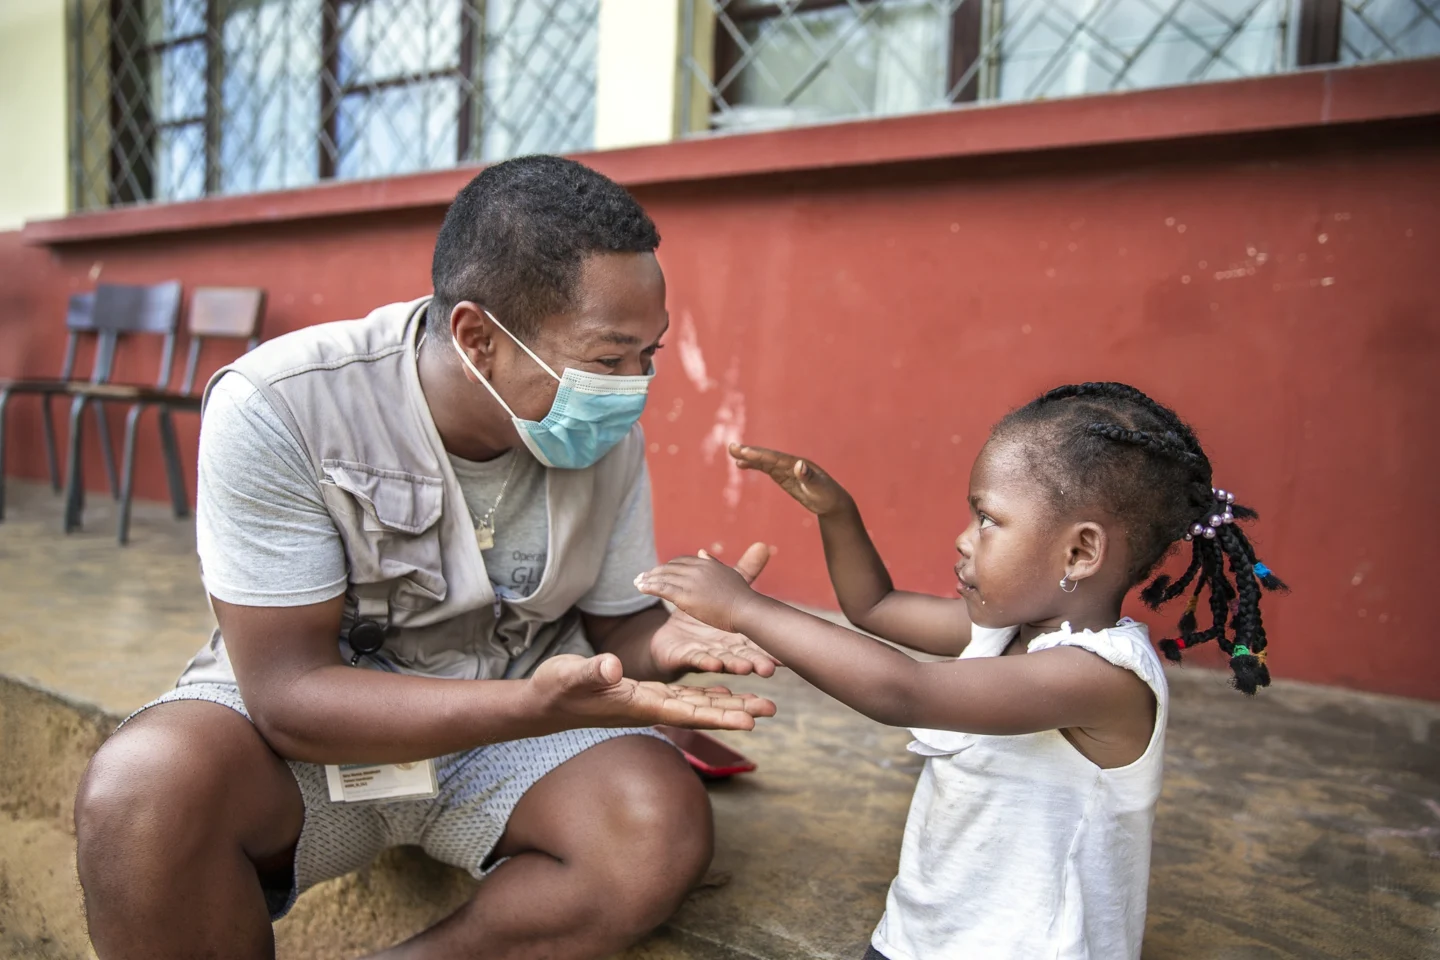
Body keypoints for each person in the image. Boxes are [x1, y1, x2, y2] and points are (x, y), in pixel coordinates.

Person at [72, 156, 780, 960]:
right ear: (479, 337)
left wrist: (668, 642)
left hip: (510, 743)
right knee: (144, 791)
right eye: (609, 359)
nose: (633, 387)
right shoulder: (283, 405)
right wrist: (534, 707)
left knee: (654, 826)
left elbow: (617, 629)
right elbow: (288, 698)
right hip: (322, 745)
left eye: (647, 355)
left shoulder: (602, 429)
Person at [636, 381, 1288, 960]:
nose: (964, 538)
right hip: (925, 934)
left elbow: (903, 691)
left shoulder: (1101, 679)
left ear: (1081, 550)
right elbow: (874, 607)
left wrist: (745, 609)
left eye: (988, 518)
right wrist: (838, 513)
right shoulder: (1004, 631)